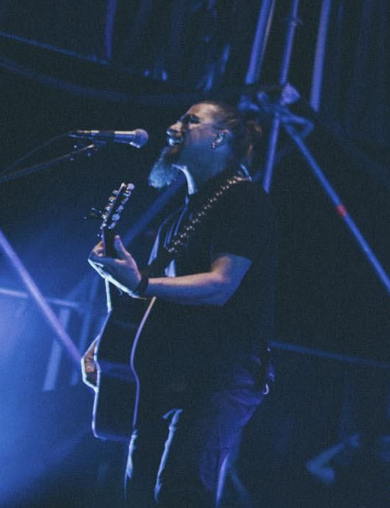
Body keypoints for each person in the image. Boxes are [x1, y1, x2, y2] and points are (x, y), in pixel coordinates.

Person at [86, 100, 278, 506]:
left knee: (179, 490)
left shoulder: (244, 200)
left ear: (220, 138)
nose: (173, 127)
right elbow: (154, 297)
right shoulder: (176, 221)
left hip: (219, 375)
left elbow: (221, 284)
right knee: (139, 494)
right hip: (167, 376)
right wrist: (105, 345)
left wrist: (140, 283)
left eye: (190, 120)